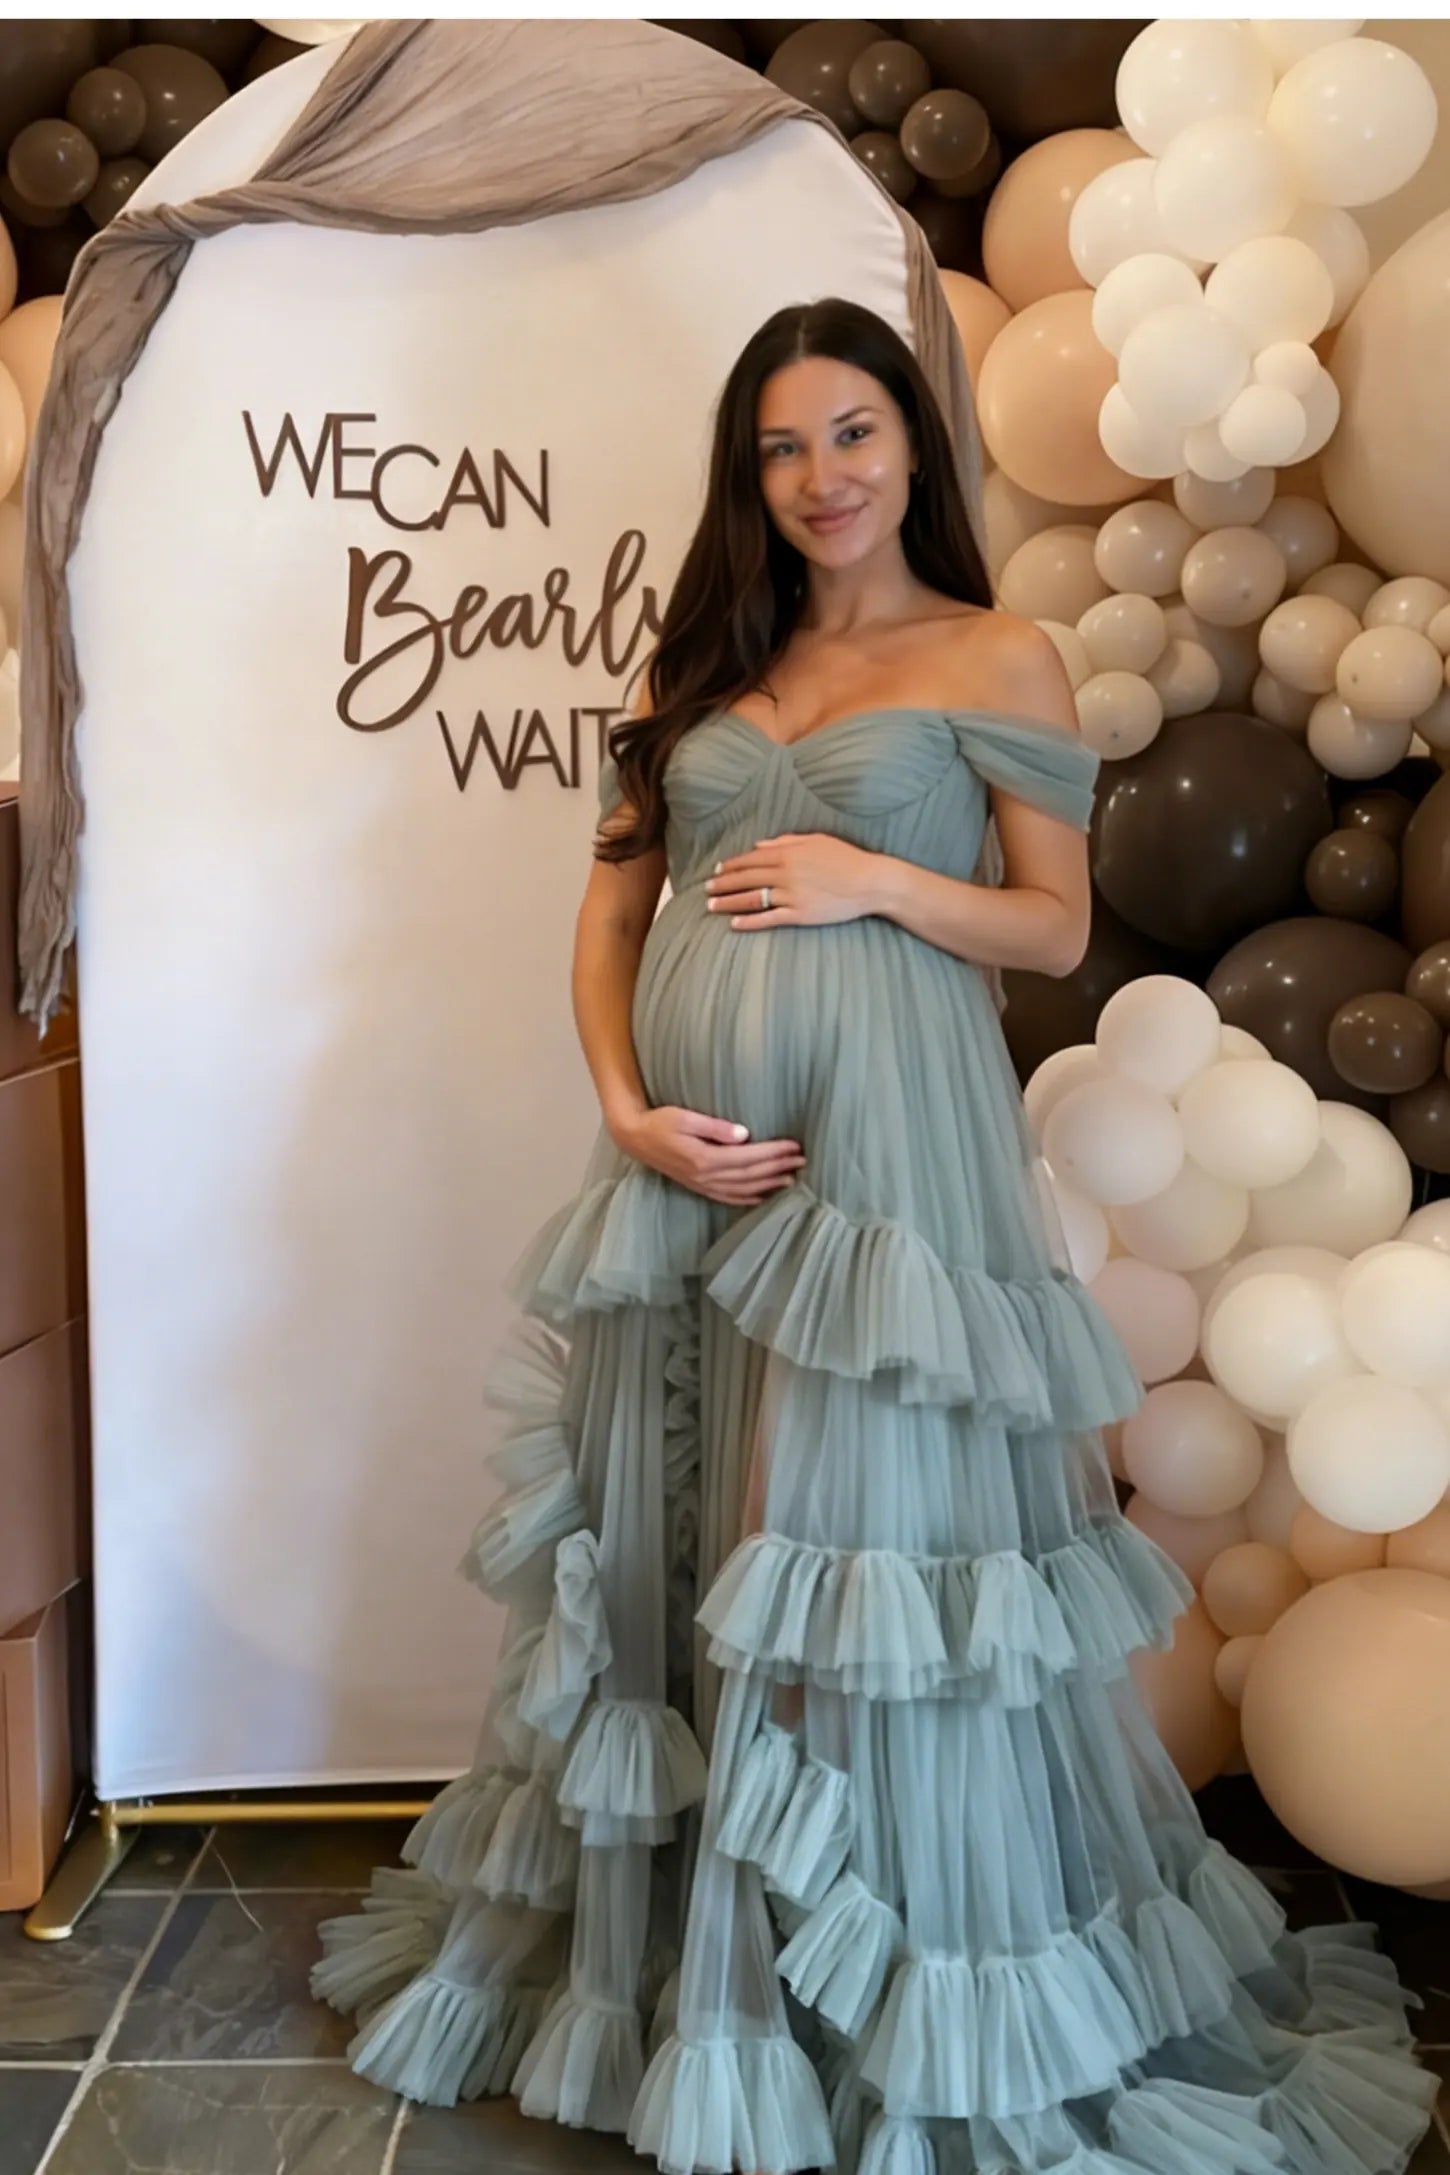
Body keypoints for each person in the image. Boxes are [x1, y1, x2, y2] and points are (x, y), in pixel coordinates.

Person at [315, 298, 1434, 2175]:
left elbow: (1051, 928)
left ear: (911, 442)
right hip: (684, 1176)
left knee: (832, 1556)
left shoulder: (996, 650)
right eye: (779, 446)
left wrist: (871, 880)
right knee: (682, 1546)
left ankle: (862, 1993)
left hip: (885, 1179)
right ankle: (696, 1978)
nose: (819, 476)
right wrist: (619, 1105)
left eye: (849, 433)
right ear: (745, 476)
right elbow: (608, 921)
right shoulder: (700, 657)